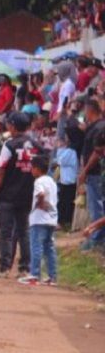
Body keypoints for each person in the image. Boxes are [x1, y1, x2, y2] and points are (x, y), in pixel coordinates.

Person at [0, 112, 37, 277]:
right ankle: (25, 267)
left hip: (8, 195)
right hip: (27, 195)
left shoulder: (9, 145)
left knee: (5, 232)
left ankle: (4, 268)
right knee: (24, 231)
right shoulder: (35, 145)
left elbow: (0, 171)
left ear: (12, 126)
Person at [22, 155, 59, 286]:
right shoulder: (52, 181)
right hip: (51, 219)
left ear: (37, 169)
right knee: (49, 248)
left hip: (39, 219)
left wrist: (40, 203)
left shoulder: (39, 181)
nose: (31, 171)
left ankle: (34, 274)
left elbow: (41, 194)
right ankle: (52, 276)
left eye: (32, 168)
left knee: (36, 247)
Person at [76, 98, 105, 249]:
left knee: (97, 207)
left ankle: (97, 239)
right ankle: (97, 238)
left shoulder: (99, 127)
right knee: (97, 205)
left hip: (95, 172)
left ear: (89, 110)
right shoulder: (94, 126)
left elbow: (96, 152)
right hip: (94, 172)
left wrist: (85, 170)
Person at [53, 134, 79, 229]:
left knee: (66, 202)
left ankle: (64, 221)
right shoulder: (68, 150)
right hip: (65, 180)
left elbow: (60, 161)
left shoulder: (70, 151)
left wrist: (59, 148)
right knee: (63, 202)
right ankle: (62, 221)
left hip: (69, 180)